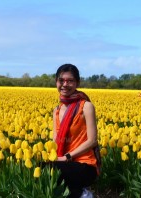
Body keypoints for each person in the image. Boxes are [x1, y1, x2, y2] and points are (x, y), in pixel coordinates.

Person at [52, 63, 99, 198]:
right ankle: (78, 193)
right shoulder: (56, 110)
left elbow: (92, 141)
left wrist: (67, 157)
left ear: (77, 83)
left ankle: (84, 194)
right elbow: (55, 141)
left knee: (53, 170)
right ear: (56, 82)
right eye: (61, 80)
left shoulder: (86, 107)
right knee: (38, 168)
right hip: (64, 161)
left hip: (85, 164)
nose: (65, 84)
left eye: (70, 81)